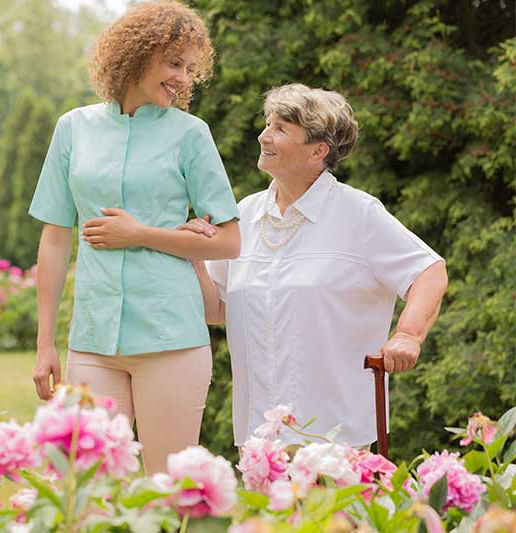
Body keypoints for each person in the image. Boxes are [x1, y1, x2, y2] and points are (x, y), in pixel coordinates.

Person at [27, 1, 240, 474]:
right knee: (88, 488)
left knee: (167, 490)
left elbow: (228, 240)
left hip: (172, 340)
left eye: (189, 67)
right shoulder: (73, 128)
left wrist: (140, 234)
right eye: (172, 63)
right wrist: (46, 343)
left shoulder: (191, 135)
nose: (183, 78)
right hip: (92, 340)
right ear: (135, 55)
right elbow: (56, 239)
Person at [183, 83, 448, 449]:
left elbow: (429, 271)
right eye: (267, 124)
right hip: (260, 439)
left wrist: (408, 334)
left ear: (318, 150)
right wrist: (195, 257)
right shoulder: (244, 214)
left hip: (338, 440)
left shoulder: (357, 213)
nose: (263, 136)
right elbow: (217, 310)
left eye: (280, 129)